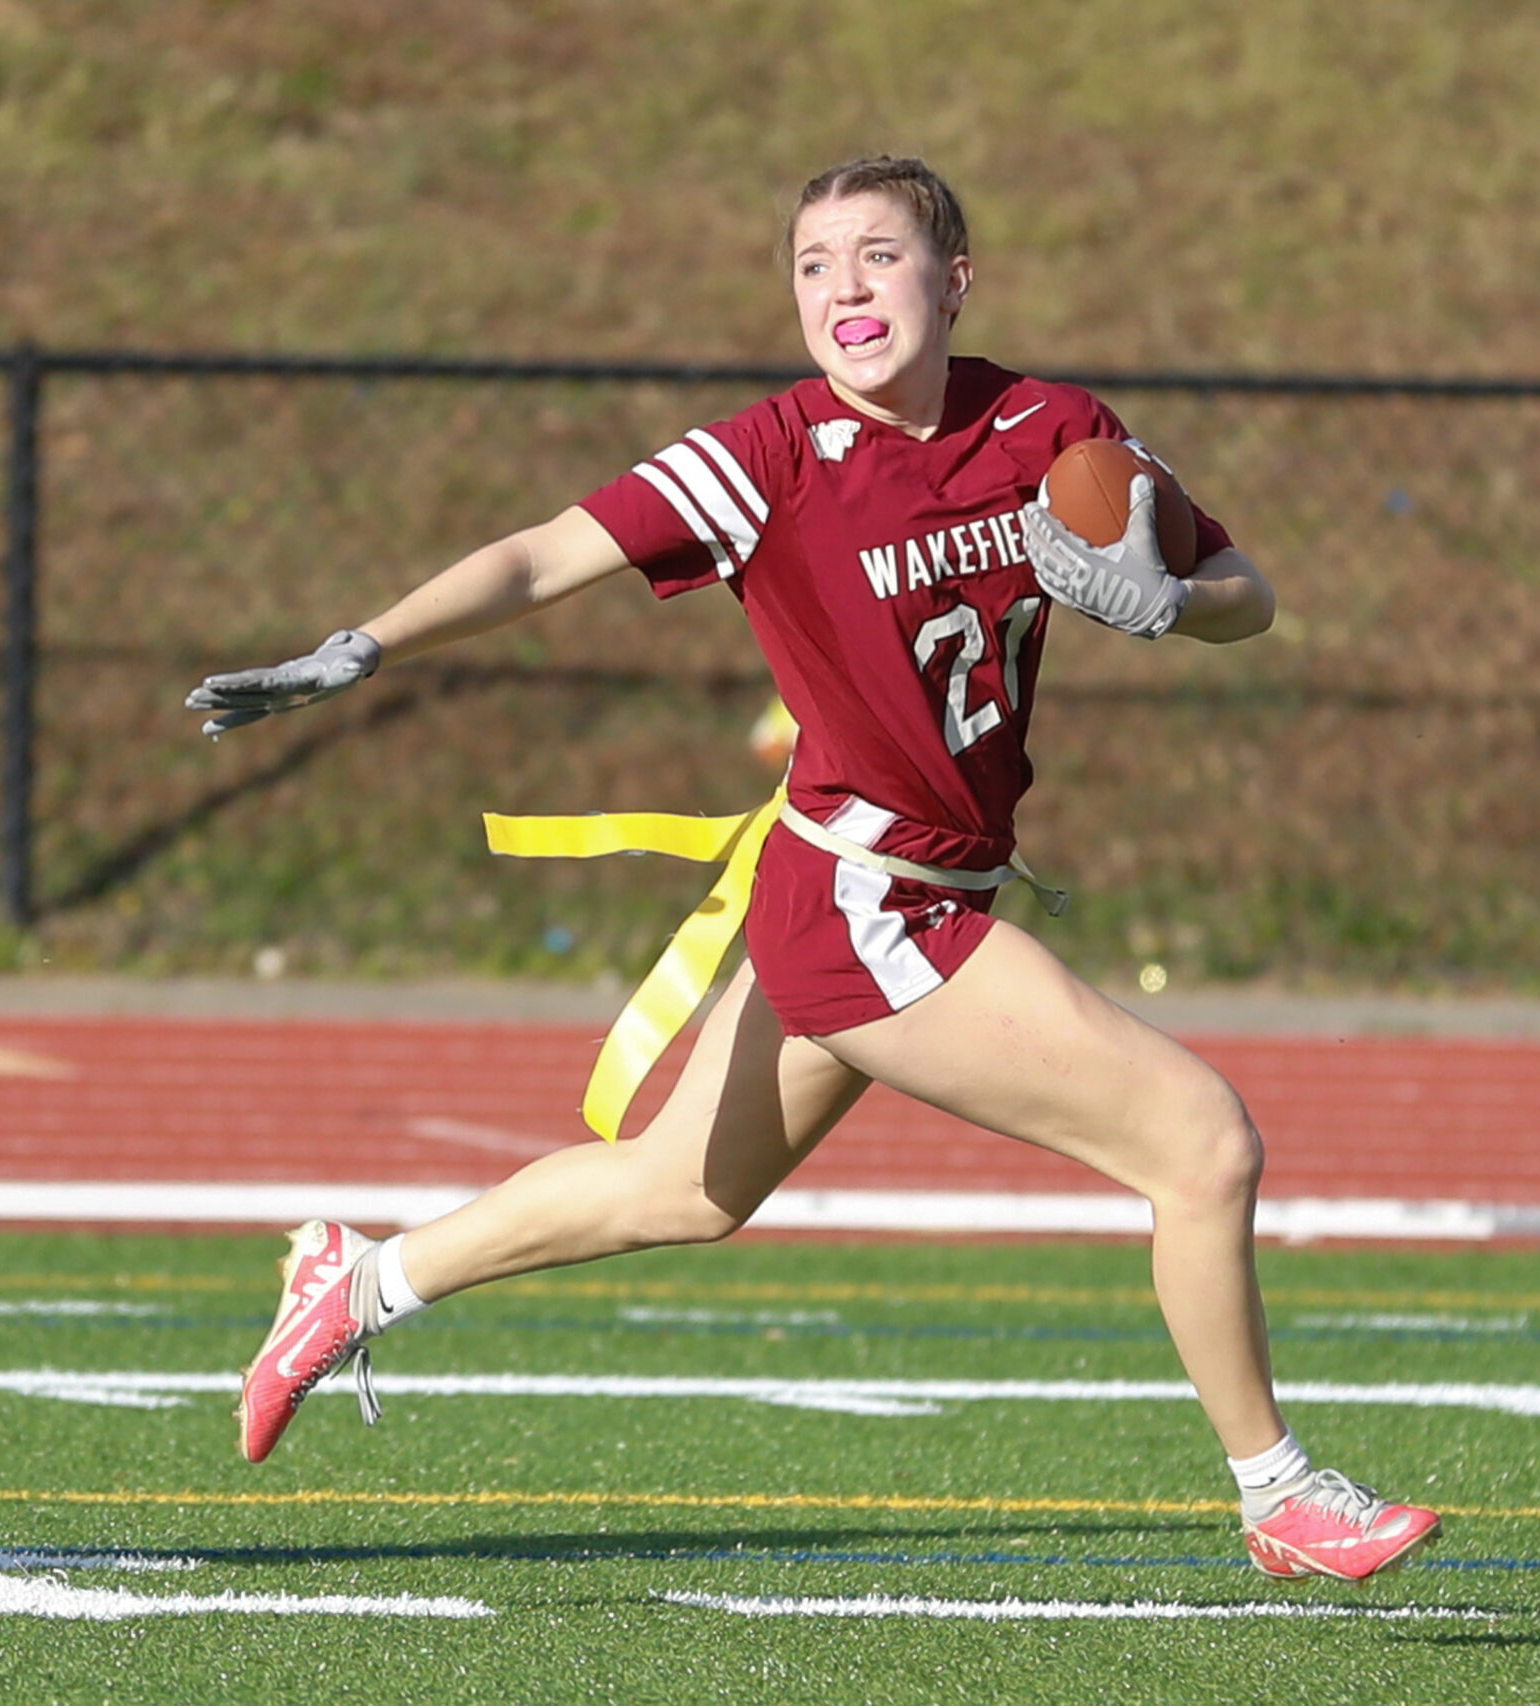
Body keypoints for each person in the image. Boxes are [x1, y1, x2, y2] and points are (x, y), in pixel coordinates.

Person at [186, 156, 1440, 1582]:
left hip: (909, 885)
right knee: (1203, 1143)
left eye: (877, 255)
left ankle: (357, 1280)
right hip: (865, 897)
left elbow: (1249, 595)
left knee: (680, 1191)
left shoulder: (1052, 426)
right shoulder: (770, 455)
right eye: (812, 264)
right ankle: (1278, 1490)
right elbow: (546, 556)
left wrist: (1173, 602)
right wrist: (365, 643)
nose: (844, 288)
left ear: (954, 277)